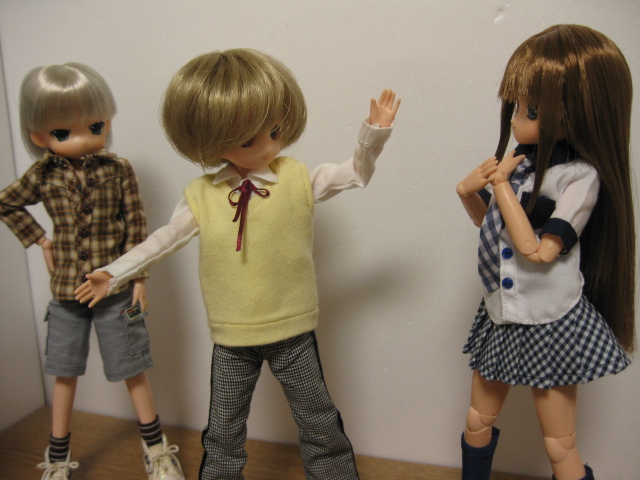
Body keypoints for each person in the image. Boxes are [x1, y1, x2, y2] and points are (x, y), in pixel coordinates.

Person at [75, 48, 400, 479]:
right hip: (232, 337)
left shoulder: (296, 178)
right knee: (224, 432)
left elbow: (355, 173)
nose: (268, 146)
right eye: (248, 140)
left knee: (319, 421)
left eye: (275, 130)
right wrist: (114, 273)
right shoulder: (203, 196)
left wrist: (373, 134)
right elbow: (163, 240)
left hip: (292, 330)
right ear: (209, 140)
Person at [456, 25, 634, 480]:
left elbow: (537, 251)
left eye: (530, 110)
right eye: (516, 107)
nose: (516, 120)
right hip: (503, 311)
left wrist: (501, 186)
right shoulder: (522, 165)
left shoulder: (579, 177)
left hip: (552, 319)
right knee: (477, 421)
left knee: (559, 443)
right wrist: (466, 192)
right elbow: (490, 224)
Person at [0, 63, 184, 480]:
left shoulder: (117, 170)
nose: (83, 137)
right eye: (63, 131)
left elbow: (136, 226)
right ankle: (58, 458)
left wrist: (139, 277)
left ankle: (155, 449)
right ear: (39, 135)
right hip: (67, 293)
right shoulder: (42, 175)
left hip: (116, 290)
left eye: (95, 125)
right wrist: (39, 239)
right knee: (63, 371)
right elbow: (6, 202)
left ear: (107, 121)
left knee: (132, 365)